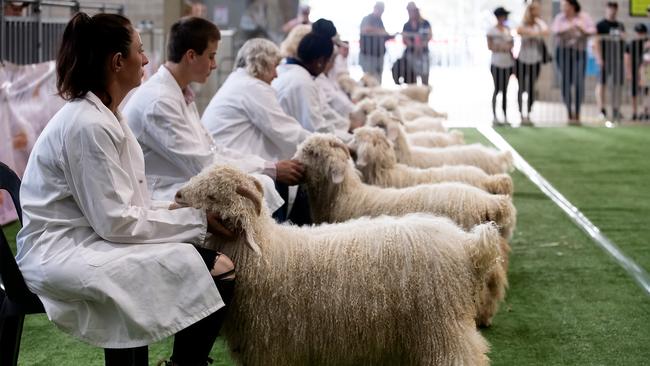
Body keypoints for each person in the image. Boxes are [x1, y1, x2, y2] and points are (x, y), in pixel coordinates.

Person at [16, 12, 235, 366]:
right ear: (118, 62)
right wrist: (198, 221)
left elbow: (129, 204)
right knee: (215, 267)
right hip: (61, 249)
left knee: (200, 259)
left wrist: (181, 211)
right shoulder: (87, 124)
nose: (146, 59)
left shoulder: (105, 114)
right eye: (140, 50)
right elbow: (116, 222)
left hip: (91, 234)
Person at [123, 17, 288, 213]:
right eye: (211, 56)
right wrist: (268, 168)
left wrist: (267, 166)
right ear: (191, 56)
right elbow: (202, 164)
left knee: (263, 183)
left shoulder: (178, 92)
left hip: (184, 181)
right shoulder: (159, 101)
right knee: (260, 186)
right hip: (163, 194)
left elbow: (211, 149)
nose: (215, 65)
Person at [273, 20, 353, 142]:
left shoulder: (292, 73)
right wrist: (353, 141)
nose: (329, 66)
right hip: (293, 148)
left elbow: (323, 112)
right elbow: (317, 130)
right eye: (329, 61)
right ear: (320, 61)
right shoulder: (303, 82)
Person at [552, 0, 596, 125]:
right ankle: (569, 112)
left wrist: (582, 30)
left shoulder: (584, 17)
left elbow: (592, 30)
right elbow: (555, 30)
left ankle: (577, 111)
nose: (562, 7)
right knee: (565, 83)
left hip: (579, 53)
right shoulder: (559, 18)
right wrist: (569, 28)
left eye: (564, 5)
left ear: (572, 6)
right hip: (563, 52)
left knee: (579, 82)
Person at [516, 0, 549, 126]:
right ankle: (520, 112)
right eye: (535, 10)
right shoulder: (523, 23)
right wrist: (533, 32)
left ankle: (529, 112)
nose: (538, 12)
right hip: (522, 60)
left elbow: (546, 31)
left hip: (535, 61)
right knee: (521, 87)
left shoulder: (538, 24)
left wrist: (536, 27)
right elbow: (519, 31)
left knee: (531, 87)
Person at [595, 1, 625, 121]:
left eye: (614, 8)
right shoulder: (601, 25)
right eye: (610, 8)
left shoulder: (620, 25)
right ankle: (601, 110)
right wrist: (599, 58)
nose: (612, 10)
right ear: (606, 9)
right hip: (605, 59)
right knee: (601, 84)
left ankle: (616, 109)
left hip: (617, 59)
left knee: (617, 85)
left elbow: (623, 40)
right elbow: (596, 42)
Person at [487, 7, 514, 126]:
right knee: (497, 88)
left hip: (507, 63)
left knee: (506, 90)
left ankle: (505, 115)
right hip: (496, 63)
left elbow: (511, 45)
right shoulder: (491, 30)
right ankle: (494, 115)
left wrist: (504, 47)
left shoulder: (508, 29)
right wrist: (501, 47)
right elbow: (490, 46)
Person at [359, 2, 393, 83]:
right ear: (375, 8)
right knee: (369, 78)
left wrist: (388, 35)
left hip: (379, 55)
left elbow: (383, 35)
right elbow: (365, 29)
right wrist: (381, 31)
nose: (381, 12)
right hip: (368, 55)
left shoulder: (380, 21)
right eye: (380, 10)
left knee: (378, 79)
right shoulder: (367, 18)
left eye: (382, 11)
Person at [402, 2, 432, 85]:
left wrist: (422, 44)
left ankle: (424, 96)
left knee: (425, 78)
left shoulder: (425, 23)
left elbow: (429, 35)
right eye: (408, 11)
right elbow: (404, 39)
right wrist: (412, 44)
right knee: (412, 79)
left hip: (423, 54)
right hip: (411, 54)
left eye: (411, 10)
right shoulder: (406, 25)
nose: (410, 13)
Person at [625, 23, 650, 120]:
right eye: (638, 32)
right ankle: (634, 112)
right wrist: (629, 72)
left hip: (646, 70)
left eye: (642, 33)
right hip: (634, 70)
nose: (640, 34)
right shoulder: (631, 44)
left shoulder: (647, 44)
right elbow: (627, 58)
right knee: (634, 92)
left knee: (646, 92)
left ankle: (646, 111)